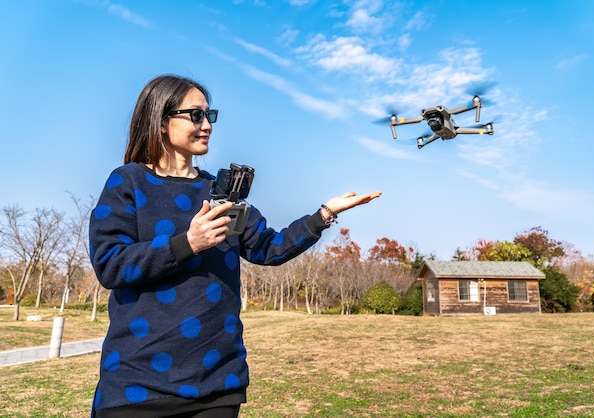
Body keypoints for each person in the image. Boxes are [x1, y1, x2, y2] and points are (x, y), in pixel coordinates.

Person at [89, 74, 382, 418]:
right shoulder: (128, 181)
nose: (207, 125)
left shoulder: (222, 193)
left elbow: (268, 248)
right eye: (195, 115)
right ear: (161, 120)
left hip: (217, 384)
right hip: (136, 386)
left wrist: (324, 214)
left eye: (209, 116)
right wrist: (189, 243)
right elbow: (110, 264)